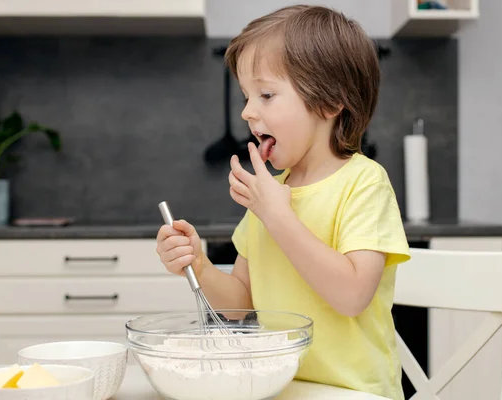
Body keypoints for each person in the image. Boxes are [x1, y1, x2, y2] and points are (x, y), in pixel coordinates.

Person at [156, 4, 411, 399]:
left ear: (329, 102)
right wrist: (200, 265)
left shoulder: (363, 183)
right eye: (246, 96)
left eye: (267, 94)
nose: (246, 111)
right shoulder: (269, 194)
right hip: (282, 389)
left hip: (356, 392)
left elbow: (352, 296)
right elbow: (242, 306)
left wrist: (278, 216)